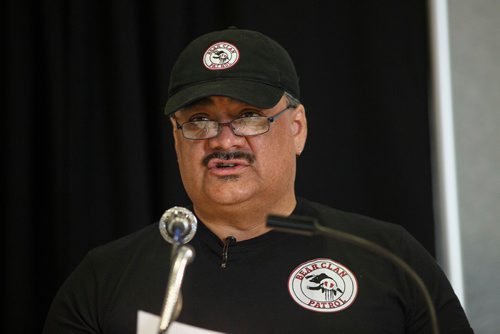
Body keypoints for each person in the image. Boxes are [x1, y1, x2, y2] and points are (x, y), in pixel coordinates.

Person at [43, 27, 473, 334]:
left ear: (298, 127)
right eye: (198, 120)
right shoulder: (106, 276)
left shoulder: (389, 258)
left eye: (249, 117)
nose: (223, 140)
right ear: (176, 140)